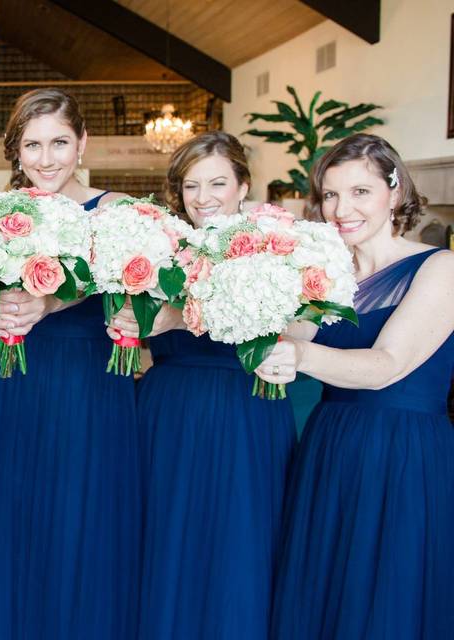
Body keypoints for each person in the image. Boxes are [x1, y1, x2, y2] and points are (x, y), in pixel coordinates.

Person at [260, 134, 454, 639]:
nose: (341, 209)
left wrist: (300, 355)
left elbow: (387, 365)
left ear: (394, 191)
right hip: (332, 441)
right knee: (325, 584)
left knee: (388, 590)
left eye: (360, 192)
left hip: (401, 452)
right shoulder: (327, 271)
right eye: (330, 195)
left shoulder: (439, 268)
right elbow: (288, 334)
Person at [110, 131, 296, 639]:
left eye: (217, 182)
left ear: (243, 185)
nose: (204, 197)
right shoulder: (162, 247)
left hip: (246, 408)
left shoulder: (275, 248)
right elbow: (137, 323)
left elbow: (300, 327)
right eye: (191, 185)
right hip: (168, 412)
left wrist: (175, 316)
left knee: (240, 536)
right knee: (166, 537)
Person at [0, 88, 139, 639]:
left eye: (60, 143)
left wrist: (50, 300)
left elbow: (122, 282)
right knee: (18, 513)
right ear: (16, 152)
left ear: (82, 142)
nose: (47, 159)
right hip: (18, 375)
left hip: (89, 378)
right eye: (33, 145)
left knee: (83, 517)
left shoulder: (114, 210)